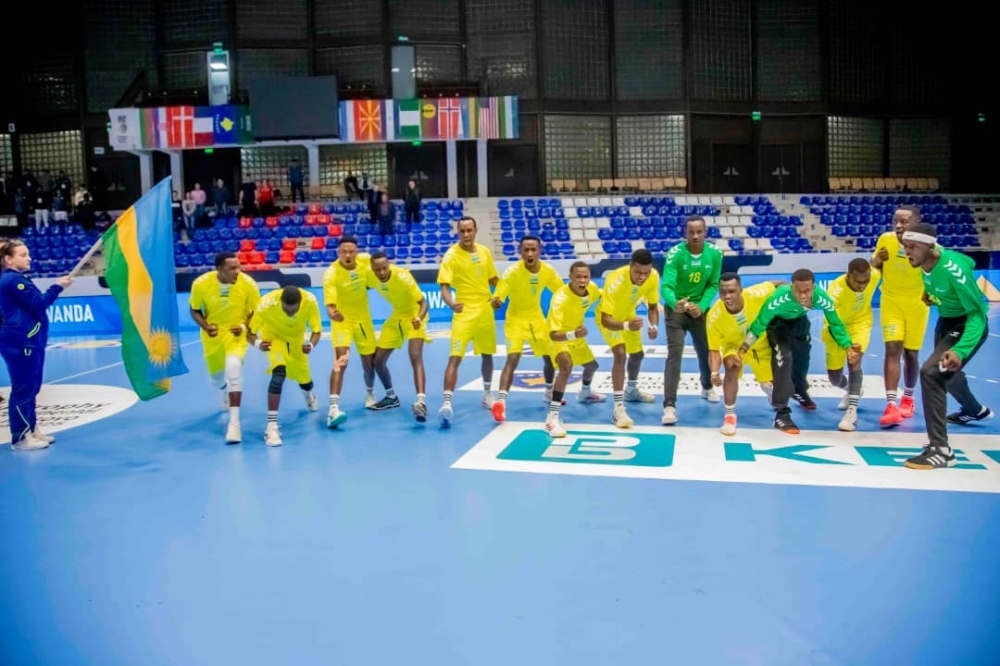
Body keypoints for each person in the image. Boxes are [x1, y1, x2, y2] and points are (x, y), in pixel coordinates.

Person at [900, 223, 993, 469]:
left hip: (966, 324)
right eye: (905, 247)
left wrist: (960, 349)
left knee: (931, 373)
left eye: (912, 247)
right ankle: (974, 410)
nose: (907, 252)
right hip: (945, 320)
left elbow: (977, 315)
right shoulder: (925, 259)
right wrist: (930, 295)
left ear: (930, 246)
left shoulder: (954, 270)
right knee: (948, 373)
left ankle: (941, 450)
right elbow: (943, 272)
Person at [739, 268, 860, 434]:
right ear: (791, 287)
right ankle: (782, 414)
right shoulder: (778, 299)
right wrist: (744, 347)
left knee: (802, 362)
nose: (803, 295)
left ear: (814, 288)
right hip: (778, 326)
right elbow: (759, 324)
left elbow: (836, 323)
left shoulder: (821, 298)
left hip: (800, 324)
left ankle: (800, 390)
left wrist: (847, 345)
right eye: (798, 291)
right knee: (784, 359)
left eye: (807, 291)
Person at [0, 238, 72, 450]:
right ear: (8, 259)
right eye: (23, 255)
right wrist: (57, 286)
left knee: (32, 387)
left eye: (28, 254)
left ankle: (31, 429)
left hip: (31, 339)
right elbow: (39, 304)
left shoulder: (17, 278)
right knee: (23, 388)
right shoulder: (13, 280)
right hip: (20, 340)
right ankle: (21, 437)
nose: (29, 258)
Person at [188, 252, 262, 444]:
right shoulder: (200, 284)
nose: (237, 271)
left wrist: (245, 327)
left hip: (236, 334)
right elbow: (194, 309)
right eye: (232, 268)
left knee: (233, 367)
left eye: (239, 267)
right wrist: (205, 326)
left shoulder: (248, 284)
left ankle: (234, 424)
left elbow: (256, 312)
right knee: (216, 379)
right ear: (219, 269)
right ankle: (224, 390)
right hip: (212, 336)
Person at [491, 235, 565, 422]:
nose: (530, 253)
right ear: (520, 252)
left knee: (549, 359)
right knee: (512, 359)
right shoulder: (512, 272)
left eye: (533, 249)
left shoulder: (547, 271)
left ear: (540, 251)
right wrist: (496, 301)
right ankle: (501, 403)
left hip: (538, 320)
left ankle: (549, 392)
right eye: (526, 250)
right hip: (515, 322)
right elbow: (499, 294)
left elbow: (562, 291)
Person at [437, 216, 501, 428]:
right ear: (458, 232)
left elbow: (493, 280)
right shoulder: (451, 256)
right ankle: (447, 403)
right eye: (462, 231)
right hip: (463, 311)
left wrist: (500, 294)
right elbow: (444, 286)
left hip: (484, 310)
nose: (465, 234)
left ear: (475, 230)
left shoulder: (484, 252)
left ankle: (487, 394)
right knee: (455, 357)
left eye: (469, 230)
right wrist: (450, 303)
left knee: (487, 354)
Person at [660, 215, 723, 424]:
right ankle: (669, 406)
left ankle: (706, 387)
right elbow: (667, 286)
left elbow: (713, 284)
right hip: (676, 309)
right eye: (691, 232)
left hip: (700, 310)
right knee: (675, 353)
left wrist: (702, 306)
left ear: (705, 232)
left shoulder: (715, 254)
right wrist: (675, 302)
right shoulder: (675, 254)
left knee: (705, 350)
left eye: (699, 231)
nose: (695, 236)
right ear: (685, 234)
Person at [871, 205, 928, 427]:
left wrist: (931, 294)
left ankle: (909, 398)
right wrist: (877, 260)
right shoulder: (885, 240)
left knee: (911, 354)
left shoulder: (929, 245)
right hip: (891, 302)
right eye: (896, 220)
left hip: (917, 304)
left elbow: (935, 275)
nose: (898, 225)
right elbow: (872, 268)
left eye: (904, 221)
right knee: (892, 348)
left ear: (917, 223)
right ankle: (891, 404)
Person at [247, 285, 323, 447]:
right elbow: (250, 333)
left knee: (306, 382)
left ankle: (308, 395)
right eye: (287, 311)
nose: (291, 314)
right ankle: (271, 427)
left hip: (297, 341)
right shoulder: (266, 304)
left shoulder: (310, 301)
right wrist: (258, 343)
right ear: (280, 302)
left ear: (300, 303)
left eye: (294, 311)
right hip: (274, 340)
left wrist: (311, 345)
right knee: (278, 375)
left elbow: (317, 331)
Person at [706, 274, 780, 436]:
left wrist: (795, 291)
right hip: (733, 347)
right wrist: (714, 372)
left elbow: (777, 285)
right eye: (723, 292)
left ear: (741, 290)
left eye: (731, 291)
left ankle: (768, 388)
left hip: (759, 344)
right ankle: (730, 415)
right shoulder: (714, 316)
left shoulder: (755, 294)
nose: (727, 296)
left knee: (774, 386)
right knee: (731, 366)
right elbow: (713, 350)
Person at [596, 249, 661, 428]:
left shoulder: (653, 277)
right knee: (620, 354)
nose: (642, 277)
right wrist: (625, 326)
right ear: (630, 266)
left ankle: (631, 390)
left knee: (638, 355)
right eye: (638, 272)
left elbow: (653, 307)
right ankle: (618, 409)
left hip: (628, 316)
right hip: (610, 319)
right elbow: (604, 319)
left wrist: (654, 326)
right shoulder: (614, 280)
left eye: (646, 273)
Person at [366, 251, 431, 421]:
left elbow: (424, 303)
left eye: (384, 268)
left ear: (389, 266)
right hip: (397, 317)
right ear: (372, 269)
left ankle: (421, 402)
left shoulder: (403, 276)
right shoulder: (368, 274)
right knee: (377, 361)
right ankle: (391, 397)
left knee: (415, 355)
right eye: (377, 270)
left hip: (415, 315)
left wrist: (418, 318)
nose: (381, 273)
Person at [545, 261, 606, 437]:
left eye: (585, 276)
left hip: (576, 336)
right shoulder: (560, 299)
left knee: (592, 366)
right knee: (566, 366)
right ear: (570, 277)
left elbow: (605, 295)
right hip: (559, 336)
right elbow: (553, 335)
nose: (582, 280)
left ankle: (585, 393)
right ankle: (552, 418)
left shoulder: (592, 289)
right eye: (578, 276)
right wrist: (572, 334)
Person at [322, 237, 378, 429]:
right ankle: (333, 408)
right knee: (341, 361)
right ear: (338, 253)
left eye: (351, 251)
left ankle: (370, 393)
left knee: (369, 363)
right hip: (342, 321)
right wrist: (332, 313)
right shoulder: (331, 274)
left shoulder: (365, 261)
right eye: (344, 252)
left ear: (357, 252)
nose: (347, 255)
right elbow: (329, 306)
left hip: (363, 321)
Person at [823, 259, 881, 432]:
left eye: (866, 281)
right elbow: (834, 325)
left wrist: (877, 259)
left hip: (860, 325)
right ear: (849, 276)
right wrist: (846, 345)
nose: (863, 286)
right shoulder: (835, 291)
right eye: (859, 282)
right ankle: (852, 389)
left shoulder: (874, 275)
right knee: (834, 378)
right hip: (837, 328)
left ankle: (851, 413)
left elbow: (879, 266)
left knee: (855, 360)